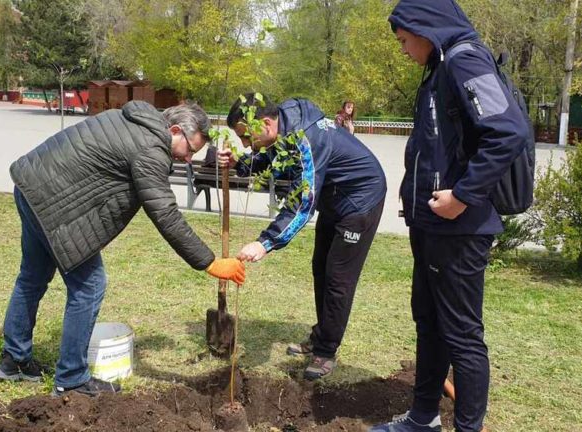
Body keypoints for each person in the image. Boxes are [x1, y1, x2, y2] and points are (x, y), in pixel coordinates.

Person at [0, 100, 246, 397]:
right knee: (90, 286)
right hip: (51, 202)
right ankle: (71, 380)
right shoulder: (151, 147)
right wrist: (209, 262)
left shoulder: (135, 120)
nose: (190, 159)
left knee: (33, 276)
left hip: (31, 185)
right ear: (175, 130)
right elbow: (164, 212)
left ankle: (14, 359)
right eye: (190, 149)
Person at [369, 1, 529, 431]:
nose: (403, 50)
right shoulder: (441, 67)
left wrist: (462, 195)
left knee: (461, 334)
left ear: (425, 29)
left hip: (460, 227)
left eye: (404, 40)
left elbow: (507, 131)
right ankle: (422, 419)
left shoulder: (464, 59)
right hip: (432, 225)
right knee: (430, 322)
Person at [218, 94, 386, 380]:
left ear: (267, 124)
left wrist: (265, 242)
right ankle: (321, 335)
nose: (247, 144)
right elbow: (270, 159)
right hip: (334, 201)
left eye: (247, 138)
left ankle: (326, 351)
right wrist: (239, 163)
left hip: (360, 201)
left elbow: (303, 203)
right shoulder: (283, 128)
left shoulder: (307, 140)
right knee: (320, 268)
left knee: (338, 280)